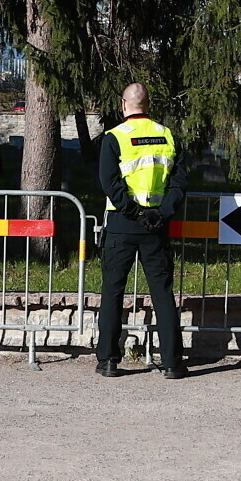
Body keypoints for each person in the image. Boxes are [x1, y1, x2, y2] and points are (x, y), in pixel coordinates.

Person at [93, 83, 188, 378]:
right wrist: (161, 212)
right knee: (162, 293)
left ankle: (109, 360)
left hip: (122, 224)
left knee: (113, 292)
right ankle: (172, 363)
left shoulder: (115, 137)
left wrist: (134, 212)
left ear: (124, 104)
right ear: (148, 104)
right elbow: (179, 182)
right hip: (156, 225)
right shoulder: (167, 135)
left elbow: (109, 182)